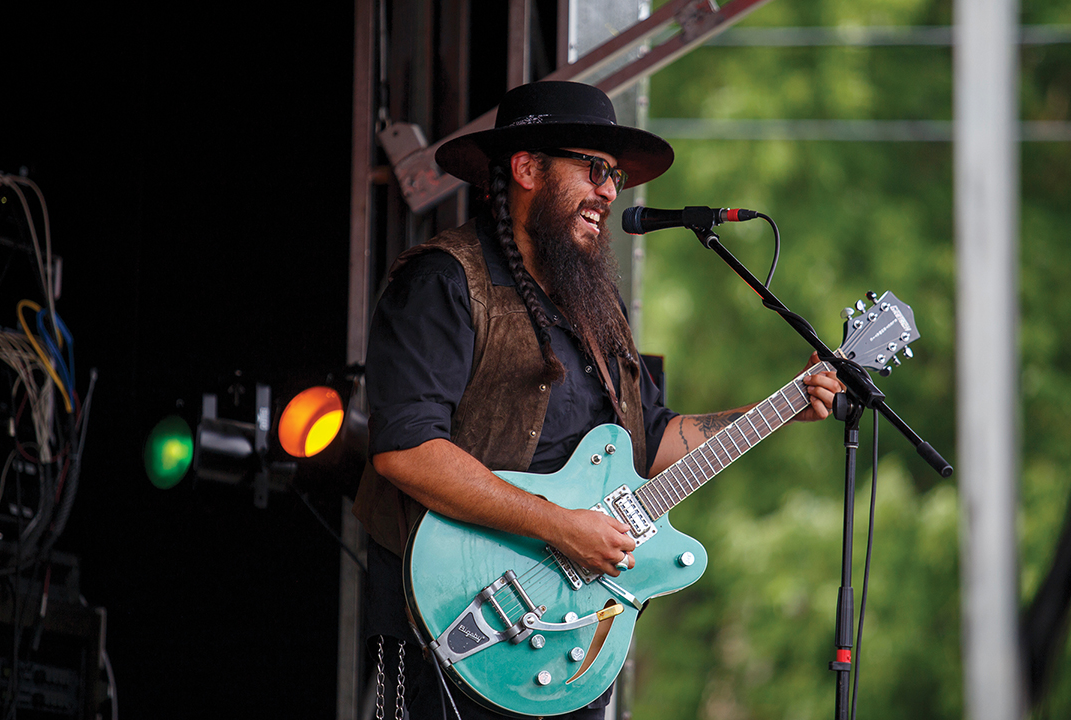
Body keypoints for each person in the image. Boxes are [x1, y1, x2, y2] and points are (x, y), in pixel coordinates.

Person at [353, 80, 843, 720]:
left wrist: (782, 407)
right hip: (450, 620)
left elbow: (652, 443)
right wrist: (560, 527)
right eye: (593, 169)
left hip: (564, 637)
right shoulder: (444, 281)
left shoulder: (595, 305)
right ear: (527, 168)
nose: (611, 190)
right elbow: (406, 451)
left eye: (613, 175)